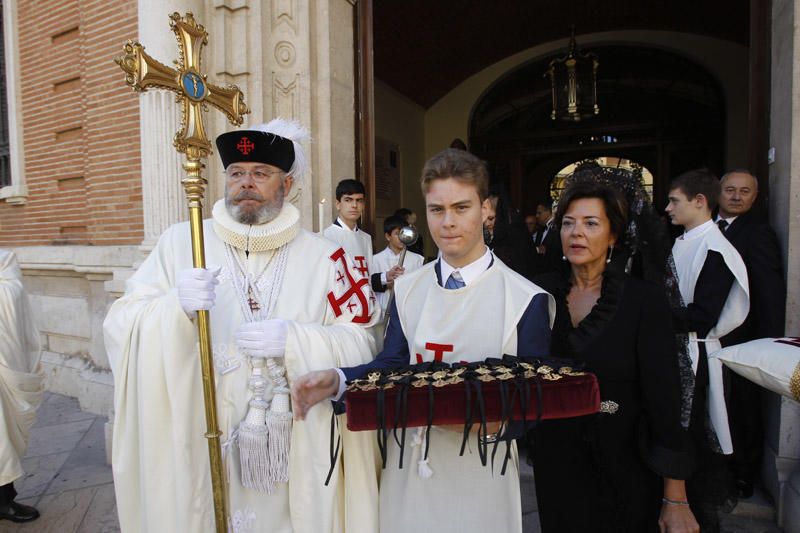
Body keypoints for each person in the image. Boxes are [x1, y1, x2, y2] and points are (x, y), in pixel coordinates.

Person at [103, 119, 380, 533]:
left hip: (293, 447)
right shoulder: (182, 243)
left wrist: (297, 340)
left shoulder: (326, 257)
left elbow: (364, 342)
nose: (245, 183)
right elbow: (121, 324)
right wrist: (171, 308)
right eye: (236, 173)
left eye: (260, 173)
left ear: (286, 186)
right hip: (201, 437)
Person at [291, 148, 554, 533]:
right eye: (436, 209)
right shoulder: (409, 288)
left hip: (481, 473)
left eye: (461, 208)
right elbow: (393, 364)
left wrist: (496, 425)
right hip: (410, 466)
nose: (447, 222)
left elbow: (534, 402)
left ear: (486, 210)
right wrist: (341, 379)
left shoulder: (525, 298)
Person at [529, 176, 698, 533]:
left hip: (626, 463)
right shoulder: (537, 295)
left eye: (591, 223)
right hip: (556, 461)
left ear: (613, 236)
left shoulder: (643, 301)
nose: (577, 233)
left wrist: (675, 496)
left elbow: (666, 398)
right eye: (569, 223)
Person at [665, 169, 749, 531]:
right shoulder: (685, 239)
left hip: (695, 357)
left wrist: (649, 314)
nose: (667, 208)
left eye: (674, 201)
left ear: (699, 202)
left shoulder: (715, 249)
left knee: (691, 439)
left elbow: (701, 315)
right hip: (675, 350)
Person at [716, 170, 786, 498]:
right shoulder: (698, 228)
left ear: (755, 197)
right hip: (705, 336)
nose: (736, 196)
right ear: (717, 193)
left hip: (743, 338)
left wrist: (768, 341)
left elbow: (769, 292)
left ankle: (743, 474)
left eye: (745, 191)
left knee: (742, 407)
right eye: (730, 190)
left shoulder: (758, 233)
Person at [0, 249, 44, 524]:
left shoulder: (3, 258)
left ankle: (4, 499)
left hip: (2, 361)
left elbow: (11, 294)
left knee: (2, 435)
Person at [370, 215, 424, 318]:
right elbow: (370, 285)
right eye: (397, 234)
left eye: (404, 233)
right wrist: (387, 284)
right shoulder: (375, 260)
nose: (401, 237)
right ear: (388, 236)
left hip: (408, 311)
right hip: (383, 311)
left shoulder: (417, 259)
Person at [323, 179, 373, 281]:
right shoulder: (324, 236)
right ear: (338, 204)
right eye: (348, 200)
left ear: (363, 205)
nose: (354, 205)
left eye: (359, 200)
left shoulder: (366, 238)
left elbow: (369, 276)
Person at [485, 193, 536, 280]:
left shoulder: (514, 243)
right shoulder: (488, 240)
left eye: (491, 218)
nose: (487, 223)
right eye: (484, 218)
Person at [532, 200, 562, 275]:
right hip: (540, 273)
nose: (537, 216)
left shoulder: (558, 228)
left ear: (549, 212)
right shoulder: (540, 230)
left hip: (554, 274)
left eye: (539, 213)